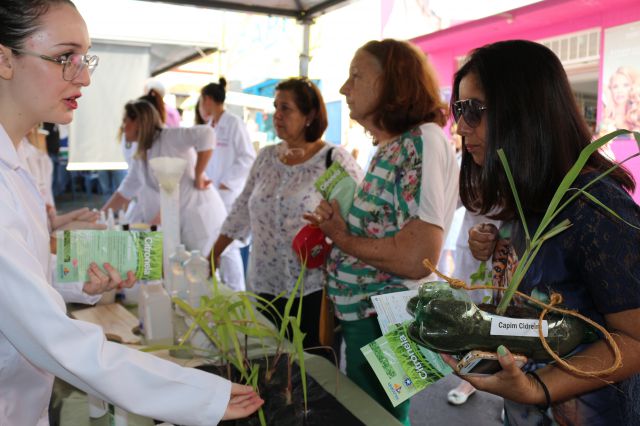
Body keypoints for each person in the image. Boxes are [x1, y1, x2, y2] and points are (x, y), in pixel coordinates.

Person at [0, 2, 263, 425]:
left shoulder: (16, 165)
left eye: (85, 59)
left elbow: (19, 277)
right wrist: (196, 395)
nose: (84, 77)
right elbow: (55, 339)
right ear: (5, 59)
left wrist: (76, 279)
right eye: (65, 57)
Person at [451, 40, 640, 425]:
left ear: (522, 111)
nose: (459, 126)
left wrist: (539, 387)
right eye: (458, 109)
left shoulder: (594, 204)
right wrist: (496, 249)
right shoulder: (529, 193)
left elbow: (635, 339)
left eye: (473, 110)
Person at [306, 39, 459, 424]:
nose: (345, 88)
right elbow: (390, 226)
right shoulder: (397, 145)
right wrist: (340, 223)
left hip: (387, 319)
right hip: (371, 317)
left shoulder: (421, 140)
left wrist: (341, 236)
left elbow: (418, 257)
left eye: (356, 76)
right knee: (371, 416)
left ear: (393, 82)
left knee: (379, 419)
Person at [210, 77, 363, 361]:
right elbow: (242, 208)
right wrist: (215, 252)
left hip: (311, 290)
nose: (277, 115)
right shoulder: (266, 157)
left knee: (315, 372)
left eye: (286, 108)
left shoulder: (332, 160)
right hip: (264, 287)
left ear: (309, 115)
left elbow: (361, 213)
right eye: (275, 107)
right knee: (268, 367)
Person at [199, 78, 257, 289]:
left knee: (227, 244)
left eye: (202, 101)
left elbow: (247, 157)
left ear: (208, 100)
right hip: (212, 193)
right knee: (214, 242)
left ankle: (236, 291)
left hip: (228, 194)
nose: (201, 106)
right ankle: (222, 287)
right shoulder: (209, 127)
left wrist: (226, 182)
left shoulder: (234, 123)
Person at [601, 66, 640, 133]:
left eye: (626, 85)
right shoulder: (604, 114)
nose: (620, 90)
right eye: (615, 86)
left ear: (633, 88)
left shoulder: (635, 117)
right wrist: (608, 95)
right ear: (611, 89)